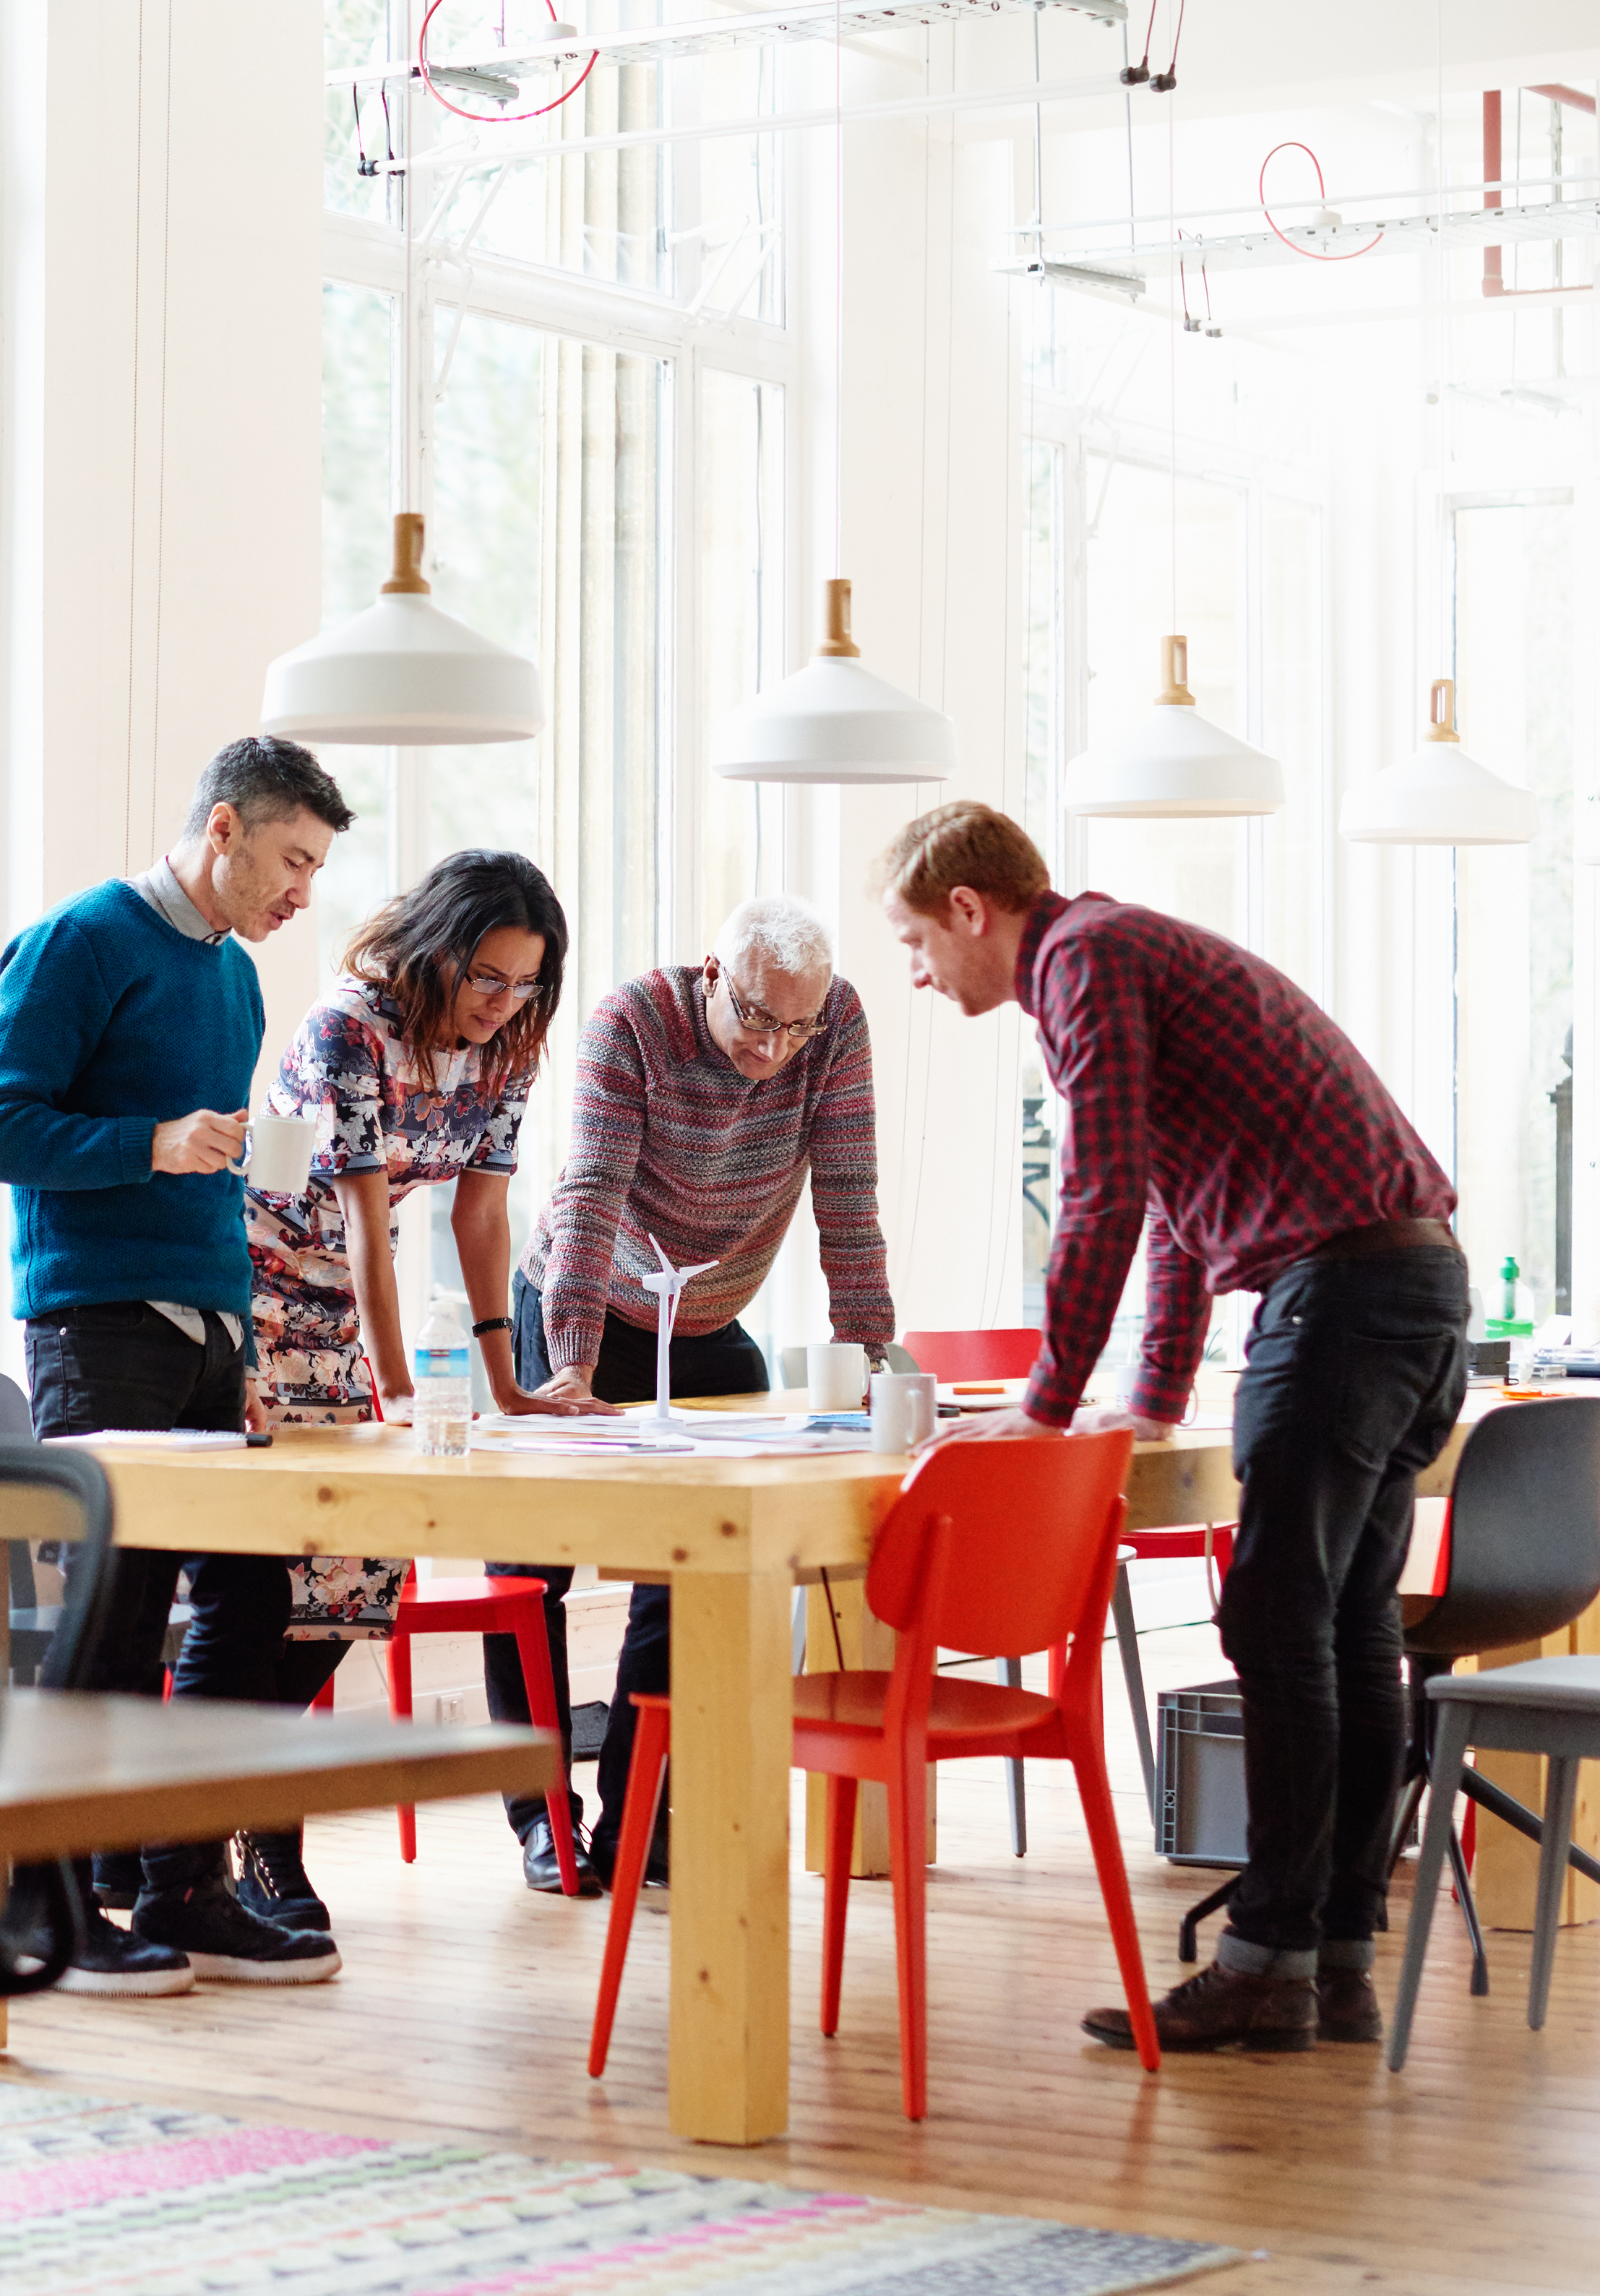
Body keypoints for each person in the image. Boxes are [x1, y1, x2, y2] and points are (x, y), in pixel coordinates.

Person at [878, 800, 1462, 2057]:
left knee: (1274, 1621)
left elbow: (1096, 1191)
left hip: (1343, 1303)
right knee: (1348, 1623)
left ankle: (1262, 1962)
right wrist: (1144, 1394)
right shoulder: (1122, 953)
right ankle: (1331, 1963)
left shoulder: (1082, 963)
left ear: (970, 909)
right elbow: (1174, 1204)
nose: (916, 976)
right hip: (1412, 1289)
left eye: (917, 943)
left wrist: (1043, 1407)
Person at [0, 735, 356, 1993]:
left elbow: (218, 1175)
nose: (303, 892)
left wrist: (240, 1341)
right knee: (113, 1616)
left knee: (244, 1605)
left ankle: (185, 1884)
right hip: (96, 1330)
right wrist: (152, 1140)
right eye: (292, 859)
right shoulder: (80, 940)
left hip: (208, 1336)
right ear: (224, 828)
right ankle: (53, 1907)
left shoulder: (234, 979)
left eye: (317, 870)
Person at [486, 893, 896, 1896]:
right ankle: (543, 1822)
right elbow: (587, 1194)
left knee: (693, 1570)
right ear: (712, 976)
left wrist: (873, 1363)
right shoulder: (631, 1024)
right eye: (756, 1018)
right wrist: (569, 1365)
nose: (773, 1048)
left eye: (793, 1026)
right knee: (529, 1573)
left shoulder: (832, 1022)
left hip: (706, 1323)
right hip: (586, 1304)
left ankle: (639, 1819)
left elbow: (847, 1198)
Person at [225, 850, 574, 1930]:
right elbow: (370, 1229)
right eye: (484, 977)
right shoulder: (349, 1029)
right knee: (278, 1582)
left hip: (351, 1304)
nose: (501, 1002)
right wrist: (393, 1394)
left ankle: (230, 1795)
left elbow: (478, 1214)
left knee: (361, 1575)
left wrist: (507, 1383)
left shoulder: (507, 1046)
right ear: (435, 952)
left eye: (523, 983)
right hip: (265, 1294)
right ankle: (254, 1834)